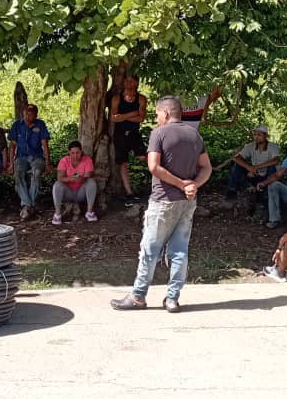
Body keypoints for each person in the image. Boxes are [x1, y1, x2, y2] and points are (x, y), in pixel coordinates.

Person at [110, 97, 212, 313]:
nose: (156, 118)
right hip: (187, 203)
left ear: (165, 113)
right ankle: (173, 299)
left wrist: (181, 184)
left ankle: (138, 296)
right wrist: (193, 185)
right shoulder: (194, 134)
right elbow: (207, 168)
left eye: (157, 114)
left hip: (163, 200)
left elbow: (153, 167)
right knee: (180, 251)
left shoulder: (159, 133)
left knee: (150, 250)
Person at [8, 103, 52, 220]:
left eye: (32, 113)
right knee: (18, 173)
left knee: (36, 172)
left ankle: (27, 206)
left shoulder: (40, 124)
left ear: (36, 115)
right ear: (23, 113)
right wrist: (11, 163)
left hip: (37, 157)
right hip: (21, 157)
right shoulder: (17, 125)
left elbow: (45, 145)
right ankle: (29, 205)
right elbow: (12, 146)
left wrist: (47, 163)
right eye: (26, 113)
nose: (29, 115)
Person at [110, 76, 148, 203]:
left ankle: (161, 182)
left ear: (137, 83)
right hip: (120, 134)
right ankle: (129, 193)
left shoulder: (141, 98)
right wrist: (133, 113)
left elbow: (141, 118)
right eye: (126, 80)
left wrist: (123, 116)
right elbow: (114, 118)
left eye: (131, 81)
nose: (127, 83)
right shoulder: (117, 98)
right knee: (123, 163)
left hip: (134, 133)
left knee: (144, 157)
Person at [225, 125, 280, 203]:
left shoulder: (273, 146)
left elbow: (276, 160)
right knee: (237, 166)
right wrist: (248, 167)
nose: (256, 137)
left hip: (267, 178)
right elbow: (236, 158)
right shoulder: (250, 146)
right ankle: (232, 191)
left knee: (272, 168)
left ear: (266, 136)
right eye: (255, 134)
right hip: (254, 175)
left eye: (259, 135)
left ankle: (266, 197)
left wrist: (256, 167)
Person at [51, 141, 98, 225]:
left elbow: (88, 176)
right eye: (72, 153)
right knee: (57, 185)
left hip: (81, 192)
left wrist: (82, 179)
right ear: (69, 152)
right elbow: (60, 178)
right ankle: (57, 214)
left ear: (81, 152)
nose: (75, 155)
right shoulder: (64, 161)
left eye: (77, 153)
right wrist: (70, 179)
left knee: (91, 181)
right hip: (68, 192)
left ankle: (89, 212)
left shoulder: (87, 160)